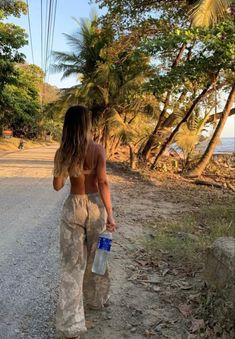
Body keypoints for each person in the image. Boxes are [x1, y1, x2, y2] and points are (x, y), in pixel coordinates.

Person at [53, 105, 116, 339]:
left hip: (74, 207)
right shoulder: (98, 149)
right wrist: (110, 214)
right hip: (96, 208)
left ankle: (71, 326)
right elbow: (103, 183)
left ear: (68, 126)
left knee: (72, 266)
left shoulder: (63, 151)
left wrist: (64, 167)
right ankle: (97, 300)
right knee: (97, 256)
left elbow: (58, 186)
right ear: (87, 125)